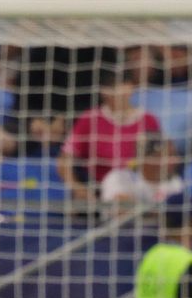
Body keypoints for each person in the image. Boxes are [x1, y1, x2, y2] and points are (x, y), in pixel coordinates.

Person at [58, 68, 161, 203]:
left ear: (131, 87)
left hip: (142, 183)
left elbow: (161, 159)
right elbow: (64, 160)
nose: (119, 92)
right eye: (112, 87)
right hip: (102, 188)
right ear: (103, 92)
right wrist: (78, 189)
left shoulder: (148, 119)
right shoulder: (90, 119)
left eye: (123, 85)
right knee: (116, 181)